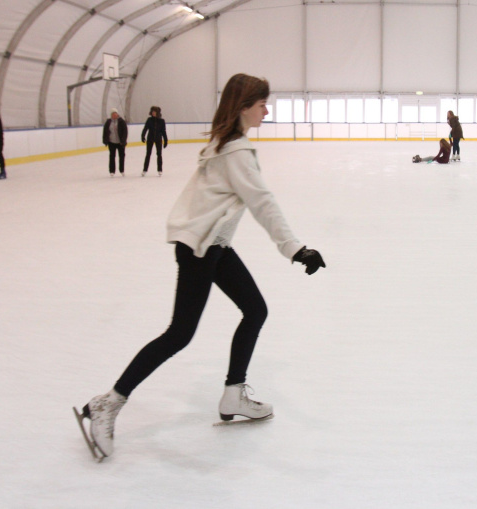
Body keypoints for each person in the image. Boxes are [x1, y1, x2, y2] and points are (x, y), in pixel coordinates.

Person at [75, 73, 326, 461]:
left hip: (213, 244)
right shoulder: (236, 151)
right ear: (243, 106)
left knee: (255, 310)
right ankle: (110, 401)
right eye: (261, 103)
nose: (267, 109)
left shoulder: (224, 144)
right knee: (179, 334)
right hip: (200, 248)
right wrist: (295, 249)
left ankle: (232, 394)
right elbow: (263, 202)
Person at [141, 106, 168, 176]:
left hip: (158, 139)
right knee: (148, 154)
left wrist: (165, 140)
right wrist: (143, 136)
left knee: (159, 154)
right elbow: (145, 128)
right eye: (152, 112)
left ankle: (160, 169)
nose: (153, 113)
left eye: (154, 112)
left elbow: (163, 131)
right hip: (150, 139)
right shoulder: (149, 120)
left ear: (158, 113)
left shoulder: (162, 121)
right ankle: (145, 170)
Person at [103, 108, 128, 177]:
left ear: (117, 114)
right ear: (111, 115)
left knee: (122, 156)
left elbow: (125, 132)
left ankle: (122, 170)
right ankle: (112, 171)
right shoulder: (108, 122)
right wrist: (105, 140)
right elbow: (105, 131)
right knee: (112, 156)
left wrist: (123, 141)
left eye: (115, 114)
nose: (114, 115)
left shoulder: (121, 121)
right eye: (113, 114)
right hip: (111, 142)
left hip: (120, 143)